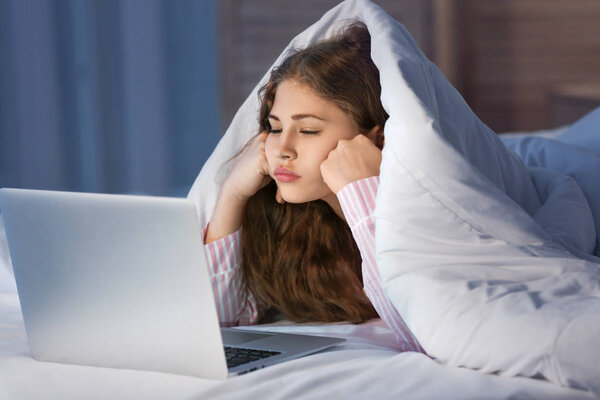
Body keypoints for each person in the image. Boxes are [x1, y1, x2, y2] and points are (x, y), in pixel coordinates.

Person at [204, 22, 423, 353]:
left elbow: (424, 328)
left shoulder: (425, 217)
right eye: (275, 128)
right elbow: (218, 324)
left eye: (307, 130)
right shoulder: (285, 222)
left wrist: (363, 192)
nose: (282, 149)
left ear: (375, 138)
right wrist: (232, 194)